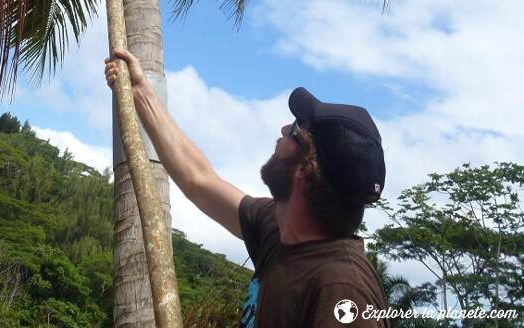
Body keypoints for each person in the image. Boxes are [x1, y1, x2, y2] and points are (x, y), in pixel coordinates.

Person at [105, 49, 390, 328]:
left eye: (294, 130)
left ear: (307, 168)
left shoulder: (343, 289)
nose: (282, 130)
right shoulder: (279, 228)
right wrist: (141, 92)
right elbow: (199, 179)